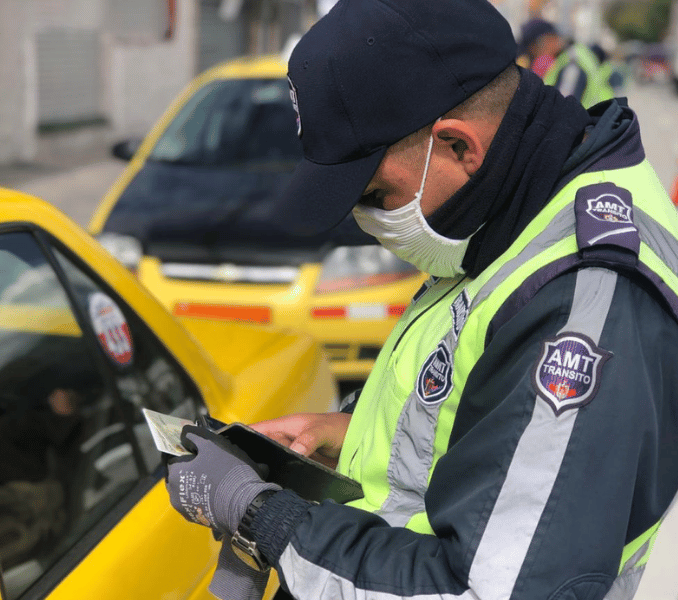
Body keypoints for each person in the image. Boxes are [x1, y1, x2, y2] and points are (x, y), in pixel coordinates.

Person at [166, 0, 678, 598]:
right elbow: (475, 402)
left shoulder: (583, 302)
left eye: (378, 193)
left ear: (460, 146)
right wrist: (351, 433)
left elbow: (492, 589)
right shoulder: (507, 213)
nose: (367, 221)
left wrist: (263, 517)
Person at [518, 17, 615, 107]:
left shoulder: (572, 64)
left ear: (547, 40)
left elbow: (563, 113)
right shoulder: (569, 58)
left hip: (594, 123)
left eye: (533, 51)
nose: (536, 57)